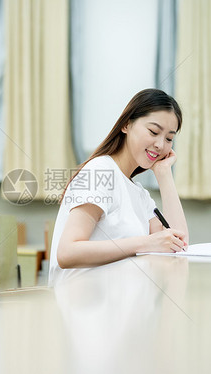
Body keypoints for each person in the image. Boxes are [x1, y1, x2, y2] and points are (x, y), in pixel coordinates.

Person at [48, 88, 189, 286]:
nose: (160, 145)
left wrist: (164, 174)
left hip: (119, 301)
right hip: (82, 304)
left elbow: (179, 245)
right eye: (153, 131)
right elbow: (67, 252)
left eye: (168, 139)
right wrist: (147, 243)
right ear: (126, 125)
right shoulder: (100, 171)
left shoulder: (140, 194)